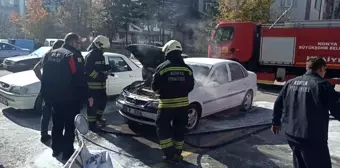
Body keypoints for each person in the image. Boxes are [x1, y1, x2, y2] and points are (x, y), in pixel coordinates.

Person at [272, 57, 340, 168]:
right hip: (312, 138)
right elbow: (336, 109)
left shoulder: (291, 83)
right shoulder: (322, 85)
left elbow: (278, 103)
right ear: (321, 68)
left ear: (307, 67)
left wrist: (276, 122)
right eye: (325, 70)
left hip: (291, 135)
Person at [41, 33, 93, 160]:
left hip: (54, 98)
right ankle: (67, 153)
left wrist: (46, 95)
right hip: (70, 98)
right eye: (78, 43)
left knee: (57, 124)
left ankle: (56, 149)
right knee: (70, 126)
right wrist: (88, 96)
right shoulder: (73, 56)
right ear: (72, 42)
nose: (79, 45)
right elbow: (80, 79)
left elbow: (45, 76)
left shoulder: (50, 54)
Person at [151, 40, 195, 163]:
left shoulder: (162, 67)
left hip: (166, 106)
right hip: (183, 106)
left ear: (168, 52)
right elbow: (191, 86)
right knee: (180, 128)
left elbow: (155, 87)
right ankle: (177, 153)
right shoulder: (187, 69)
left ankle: (169, 154)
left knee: (162, 128)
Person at [33, 40, 64, 143]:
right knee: (58, 112)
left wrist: (42, 79)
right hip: (58, 89)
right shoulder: (62, 57)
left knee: (46, 111)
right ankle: (58, 135)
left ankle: (44, 134)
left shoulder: (46, 56)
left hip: (46, 88)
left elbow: (36, 68)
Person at [84, 35, 111, 131]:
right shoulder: (90, 56)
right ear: (99, 45)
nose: (104, 50)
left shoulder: (100, 56)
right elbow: (88, 70)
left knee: (103, 102)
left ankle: (98, 118)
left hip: (101, 86)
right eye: (103, 48)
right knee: (92, 106)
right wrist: (99, 76)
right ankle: (92, 125)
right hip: (92, 87)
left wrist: (106, 68)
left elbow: (99, 68)